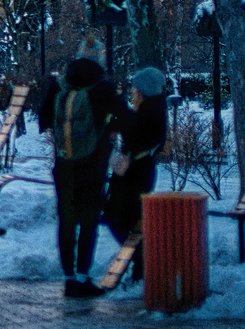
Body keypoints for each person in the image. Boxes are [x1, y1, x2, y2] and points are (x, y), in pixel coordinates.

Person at [39, 49, 130, 297]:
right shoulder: (102, 90)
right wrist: (110, 129)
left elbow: (43, 120)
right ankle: (83, 276)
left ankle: (69, 278)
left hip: (63, 164)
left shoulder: (59, 88)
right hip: (92, 165)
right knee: (88, 221)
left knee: (66, 221)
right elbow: (125, 118)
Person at [104, 66, 169, 272]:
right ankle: (141, 264)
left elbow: (133, 134)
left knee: (121, 218)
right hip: (136, 173)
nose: (133, 93)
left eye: (135, 89)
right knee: (125, 219)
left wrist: (119, 110)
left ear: (143, 91)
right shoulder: (151, 109)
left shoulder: (150, 112)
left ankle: (142, 263)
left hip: (135, 175)